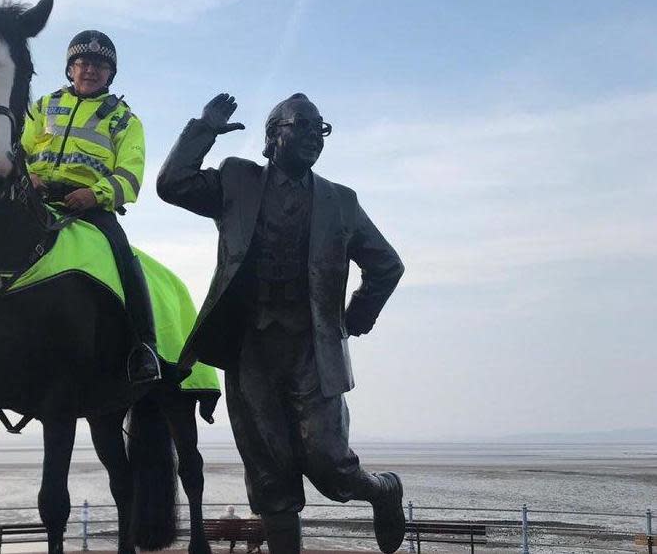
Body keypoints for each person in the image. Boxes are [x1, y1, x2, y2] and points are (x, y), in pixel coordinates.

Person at [157, 93, 406, 554]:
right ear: (273, 137)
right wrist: (203, 129)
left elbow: (387, 265)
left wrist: (353, 320)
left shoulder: (340, 201)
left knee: (330, 464)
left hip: (312, 352)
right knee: (270, 475)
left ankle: (381, 490)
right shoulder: (237, 180)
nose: (314, 136)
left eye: (321, 129)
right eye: (304, 126)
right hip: (250, 351)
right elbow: (172, 183)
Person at [21, 30, 160, 384]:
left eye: (100, 65)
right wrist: (27, 178)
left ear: (110, 74)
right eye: (83, 63)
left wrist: (94, 194)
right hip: (33, 198)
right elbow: (15, 150)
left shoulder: (124, 120)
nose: (90, 70)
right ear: (70, 69)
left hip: (89, 207)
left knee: (123, 256)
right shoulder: (43, 106)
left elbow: (130, 175)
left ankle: (144, 347)